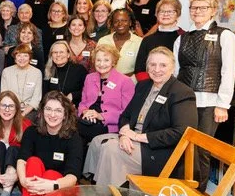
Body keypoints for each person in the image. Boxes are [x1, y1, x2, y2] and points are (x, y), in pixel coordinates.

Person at [84, 47, 197, 187]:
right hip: (134, 137)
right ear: (147, 67)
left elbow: (181, 133)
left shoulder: (182, 92)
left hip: (158, 150)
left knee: (111, 148)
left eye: (163, 65)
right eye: (152, 64)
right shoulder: (143, 86)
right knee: (97, 142)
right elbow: (125, 115)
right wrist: (124, 134)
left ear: (172, 68)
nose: (157, 69)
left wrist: (137, 137)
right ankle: (98, 184)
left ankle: (106, 195)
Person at [173, 0, 235, 191]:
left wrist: (223, 104)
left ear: (213, 10)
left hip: (209, 103)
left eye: (203, 7)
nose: (198, 11)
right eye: (194, 7)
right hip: (184, 101)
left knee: (202, 150)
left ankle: (197, 194)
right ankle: (180, 189)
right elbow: (176, 72)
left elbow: (228, 72)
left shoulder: (225, 36)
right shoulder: (181, 39)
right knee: (182, 146)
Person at [78, 44, 135, 145]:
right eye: (98, 60)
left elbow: (128, 113)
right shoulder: (89, 78)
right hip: (87, 120)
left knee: (75, 131)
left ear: (113, 62)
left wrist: (100, 116)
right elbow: (83, 103)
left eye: (106, 60)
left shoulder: (125, 81)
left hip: (108, 125)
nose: (101, 64)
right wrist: (85, 112)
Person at [135, 0, 184, 82]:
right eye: (162, 11)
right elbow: (139, 69)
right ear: (156, 15)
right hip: (151, 84)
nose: (166, 14)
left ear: (178, 15)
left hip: (177, 84)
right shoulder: (147, 40)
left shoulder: (185, 38)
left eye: (170, 11)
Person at [97, 8, 143, 79]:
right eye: (116, 21)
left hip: (131, 81)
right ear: (112, 23)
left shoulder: (139, 42)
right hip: (106, 81)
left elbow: (142, 69)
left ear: (130, 22)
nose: (120, 24)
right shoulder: (103, 41)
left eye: (124, 21)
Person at [1, 44, 43, 120]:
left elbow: (36, 99)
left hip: (30, 111)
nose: (22, 58)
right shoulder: (6, 72)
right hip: (10, 109)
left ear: (30, 58)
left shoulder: (37, 73)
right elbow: (4, 95)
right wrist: (13, 112)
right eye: (19, 55)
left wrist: (23, 114)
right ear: (15, 58)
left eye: (25, 55)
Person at [42, 41, 88, 107]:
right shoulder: (47, 70)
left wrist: (73, 95)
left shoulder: (79, 70)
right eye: (55, 52)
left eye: (61, 52)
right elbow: (45, 95)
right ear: (51, 55)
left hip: (74, 107)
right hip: (53, 107)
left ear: (68, 54)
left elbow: (88, 90)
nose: (58, 55)